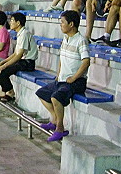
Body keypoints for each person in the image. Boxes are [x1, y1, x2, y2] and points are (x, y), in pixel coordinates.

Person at [35, 10, 90, 142]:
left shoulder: (81, 40)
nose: (60, 25)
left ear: (71, 24)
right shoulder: (65, 39)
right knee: (42, 93)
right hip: (62, 79)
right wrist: (58, 74)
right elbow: (61, 58)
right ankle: (55, 120)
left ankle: (60, 128)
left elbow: (86, 62)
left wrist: (75, 77)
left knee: (56, 97)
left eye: (62, 22)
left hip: (76, 81)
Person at [0, 12, 38, 101]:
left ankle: (10, 92)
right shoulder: (20, 33)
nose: (10, 23)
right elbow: (15, 53)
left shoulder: (25, 34)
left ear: (18, 23)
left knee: (3, 70)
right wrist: (2, 62)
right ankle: (4, 90)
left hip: (27, 63)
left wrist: (4, 65)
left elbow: (19, 55)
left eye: (12, 20)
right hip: (22, 61)